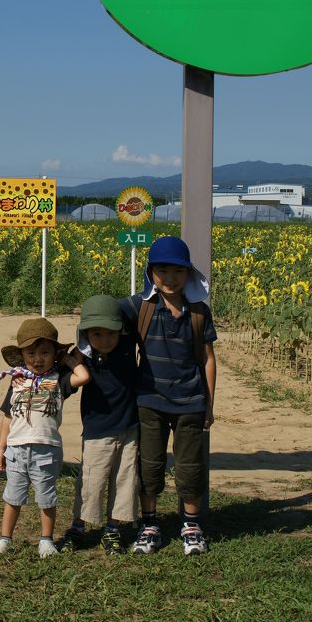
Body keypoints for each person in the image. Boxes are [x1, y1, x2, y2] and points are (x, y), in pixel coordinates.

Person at [119, 236, 217, 557]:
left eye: (178, 271)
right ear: (151, 272)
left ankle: (191, 525)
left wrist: (209, 403)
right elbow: (107, 315)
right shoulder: (140, 307)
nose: (170, 278)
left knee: (190, 466)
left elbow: (208, 359)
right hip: (149, 403)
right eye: (162, 270)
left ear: (189, 273)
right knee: (149, 464)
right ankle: (150, 524)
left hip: (191, 403)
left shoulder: (199, 312)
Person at [0, 317, 90, 559]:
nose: (37, 358)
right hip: (16, 449)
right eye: (31, 353)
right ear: (21, 355)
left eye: (45, 352)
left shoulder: (59, 380)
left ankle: (46, 540)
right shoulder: (17, 381)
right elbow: (8, 416)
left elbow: (83, 377)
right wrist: (1, 447)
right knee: (13, 497)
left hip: (47, 450)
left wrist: (66, 359)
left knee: (47, 497)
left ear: (54, 354)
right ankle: (5, 539)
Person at [60, 295, 139, 557]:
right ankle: (78, 527)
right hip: (97, 432)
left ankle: (113, 529)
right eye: (96, 334)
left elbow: (140, 303)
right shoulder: (83, 359)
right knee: (91, 482)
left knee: (124, 480)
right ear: (85, 333)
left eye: (110, 333)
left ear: (121, 330)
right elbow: (61, 386)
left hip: (129, 428)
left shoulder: (127, 346)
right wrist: (70, 361)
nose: (105, 339)